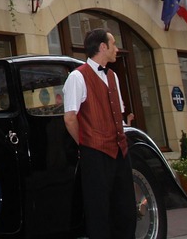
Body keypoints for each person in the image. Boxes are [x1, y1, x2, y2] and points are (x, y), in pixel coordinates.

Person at [62, 29, 134, 239]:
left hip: (120, 151)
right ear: (103, 47)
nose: (117, 49)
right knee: (99, 211)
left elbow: (117, 114)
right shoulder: (77, 77)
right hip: (95, 153)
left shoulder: (113, 76)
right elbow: (69, 118)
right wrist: (86, 144)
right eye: (113, 44)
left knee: (125, 209)